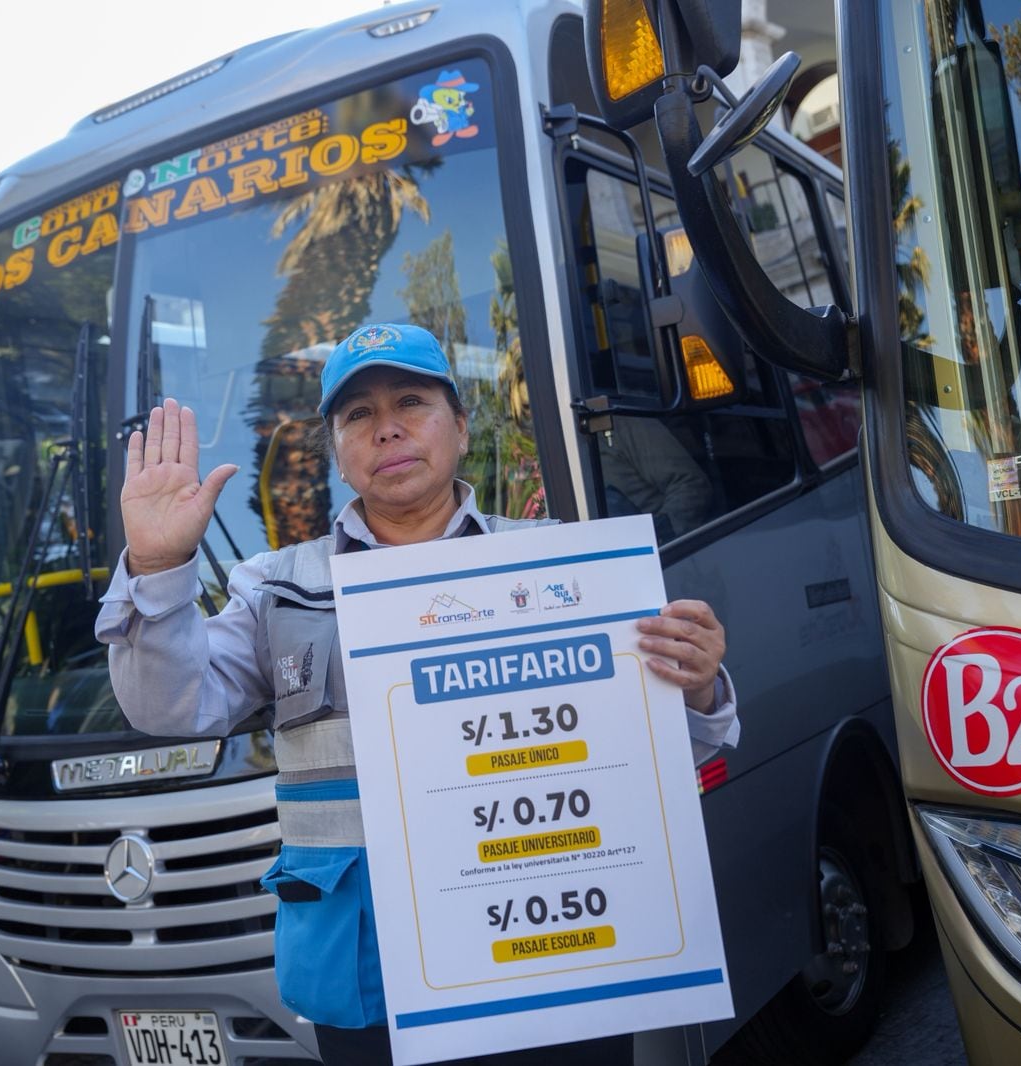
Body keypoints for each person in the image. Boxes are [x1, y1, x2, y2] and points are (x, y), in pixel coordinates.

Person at [95, 323, 740, 1066]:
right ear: (338, 452)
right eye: (358, 415)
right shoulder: (277, 586)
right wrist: (156, 565)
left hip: (554, 965)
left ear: (461, 429)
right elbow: (168, 707)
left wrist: (697, 687)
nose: (388, 427)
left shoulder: (558, 567)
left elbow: (655, 757)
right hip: (369, 985)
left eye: (411, 400)